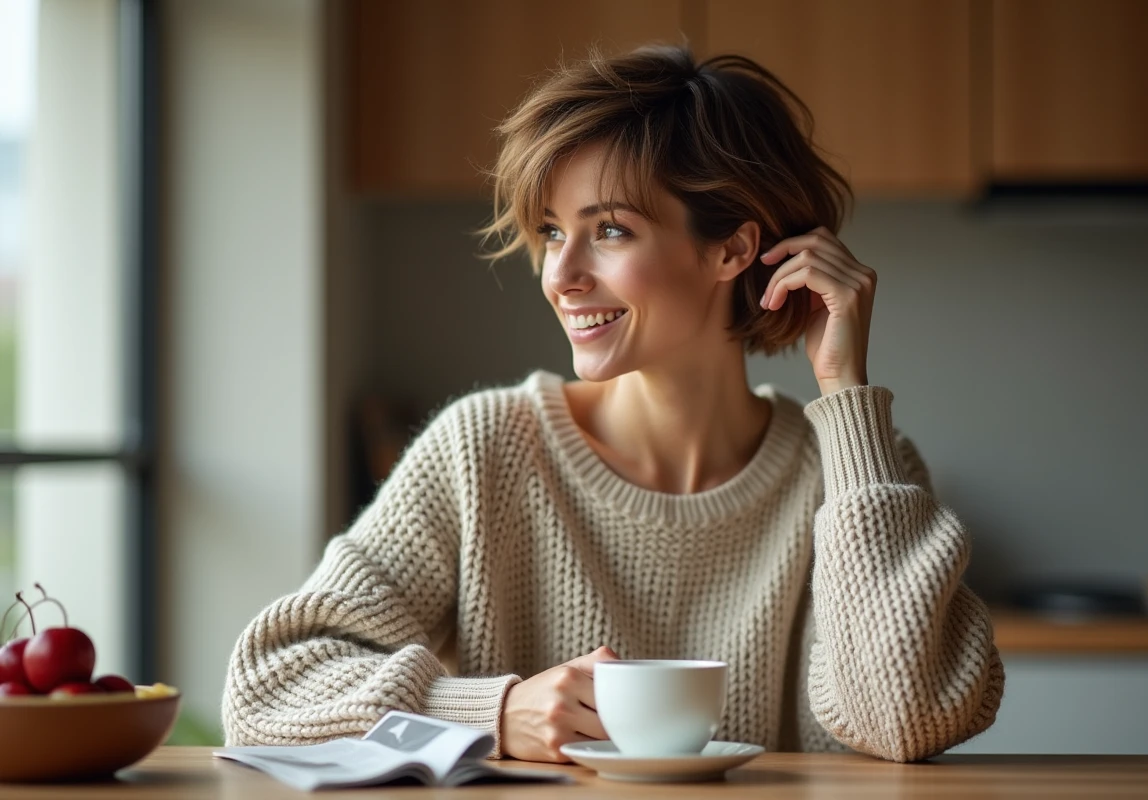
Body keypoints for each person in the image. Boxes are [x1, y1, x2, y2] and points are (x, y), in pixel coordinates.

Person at [221, 44, 1004, 764]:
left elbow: (907, 721)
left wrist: (846, 394)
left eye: (611, 231)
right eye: (553, 230)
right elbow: (267, 691)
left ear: (731, 249)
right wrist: (491, 713)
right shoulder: (484, 448)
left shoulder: (857, 472)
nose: (559, 275)